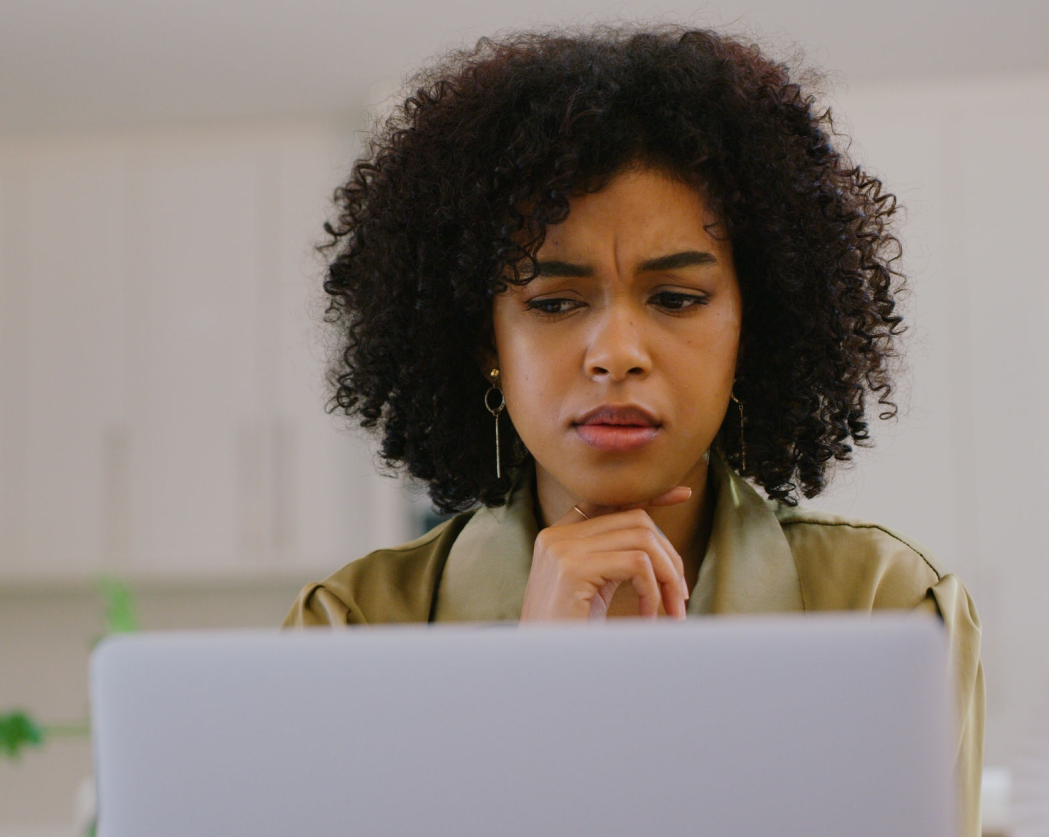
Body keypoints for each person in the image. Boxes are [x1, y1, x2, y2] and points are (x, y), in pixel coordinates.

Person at [283, 26, 984, 837]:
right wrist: (528, 691)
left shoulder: (885, 610)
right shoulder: (354, 630)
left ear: (749, 330)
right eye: (553, 303)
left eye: (677, 298)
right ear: (486, 344)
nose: (616, 354)